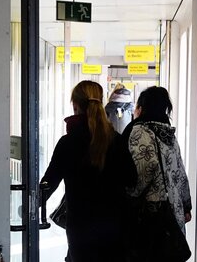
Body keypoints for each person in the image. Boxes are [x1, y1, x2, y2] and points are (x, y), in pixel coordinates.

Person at [40, 80, 136, 262]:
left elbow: (49, 183)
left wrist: (25, 208)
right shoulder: (115, 140)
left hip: (80, 228)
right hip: (114, 226)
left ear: (75, 105)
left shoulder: (68, 142)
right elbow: (132, 179)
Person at [122, 86, 192, 261]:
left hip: (150, 213)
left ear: (142, 107)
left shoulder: (141, 131)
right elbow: (180, 172)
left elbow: (145, 167)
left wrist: (130, 195)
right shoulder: (168, 133)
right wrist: (186, 205)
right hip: (173, 210)